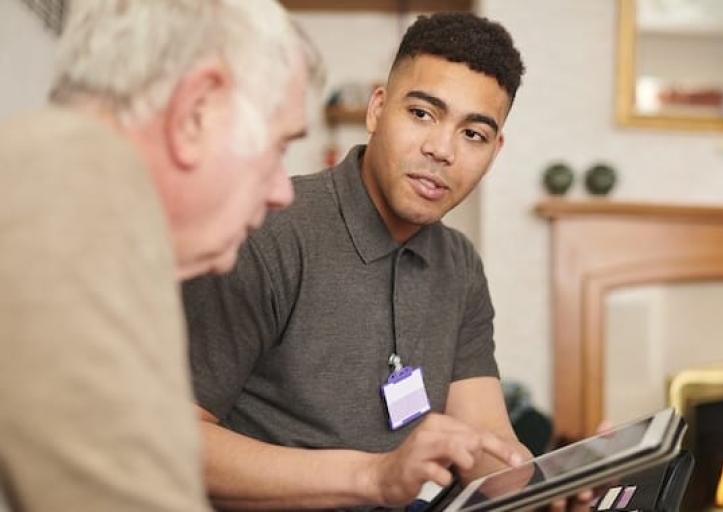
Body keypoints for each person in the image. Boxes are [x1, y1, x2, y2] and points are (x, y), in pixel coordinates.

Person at [183, 12, 591, 511]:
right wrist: (372, 476)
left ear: (495, 150)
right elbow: (176, 439)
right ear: (377, 109)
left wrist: (555, 486)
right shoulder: (266, 231)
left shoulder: (459, 265)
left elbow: (486, 442)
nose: (441, 150)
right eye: (422, 113)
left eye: (473, 135)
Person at [0, 1, 321, 510]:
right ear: (197, 112)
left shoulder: (62, 178)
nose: (283, 191)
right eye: (280, 147)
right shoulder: (70, 205)